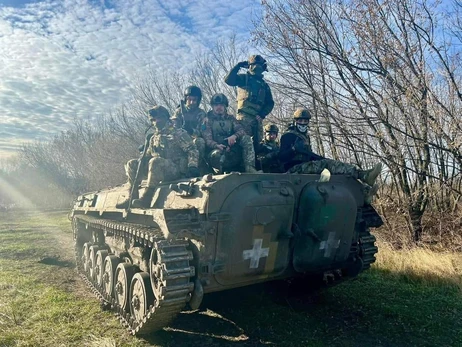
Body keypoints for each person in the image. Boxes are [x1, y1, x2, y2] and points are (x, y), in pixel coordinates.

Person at [117, 106, 200, 209]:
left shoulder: (178, 133)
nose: (155, 122)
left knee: (155, 161)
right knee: (132, 164)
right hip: (158, 169)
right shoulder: (153, 138)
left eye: (158, 118)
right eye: (153, 120)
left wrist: (192, 166)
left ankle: (146, 198)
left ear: (165, 118)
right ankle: (132, 196)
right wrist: (141, 161)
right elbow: (148, 155)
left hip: (175, 169)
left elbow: (192, 150)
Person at [279, 108, 382, 188]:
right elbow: (281, 158)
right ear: (295, 121)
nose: (302, 123)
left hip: (306, 166)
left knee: (334, 169)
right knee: (329, 165)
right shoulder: (288, 136)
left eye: (305, 121)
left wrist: (320, 158)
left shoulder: (305, 137)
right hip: (293, 169)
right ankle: (363, 175)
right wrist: (293, 150)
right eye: (300, 120)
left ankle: (364, 190)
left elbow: (309, 156)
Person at [224, 54, 274, 149]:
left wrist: (262, 114)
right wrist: (237, 66)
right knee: (242, 142)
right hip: (244, 116)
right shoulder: (244, 78)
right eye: (255, 65)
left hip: (257, 118)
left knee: (257, 145)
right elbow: (228, 80)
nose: (257, 68)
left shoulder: (264, 85)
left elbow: (270, 103)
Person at [202, 93, 257, 173]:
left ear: (225, 106)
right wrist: (217, 145)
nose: (219, 107)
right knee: (217, 155)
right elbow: (207, 139)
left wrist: (234, 136)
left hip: (231, 150)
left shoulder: (231, 119)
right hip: (215, 152)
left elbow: (241, 131)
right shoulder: (207, 120)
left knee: (246, 138)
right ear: (213, 106)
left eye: (221, 105)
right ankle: (217, 172)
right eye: (216, 105)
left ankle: (249, 168)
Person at [171, 85, 208, 173]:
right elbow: (173, 127)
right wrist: (180, 129)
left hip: (194, 139)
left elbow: (202, 131)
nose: (191, 102)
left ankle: (195, 168)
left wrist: (191, 130)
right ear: (186, 99)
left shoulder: (201, 113)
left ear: (198, 101)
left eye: (194, 100)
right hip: (180, 139)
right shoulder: (179, 111)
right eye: (189, 99)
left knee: (200, 141)